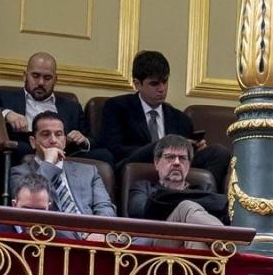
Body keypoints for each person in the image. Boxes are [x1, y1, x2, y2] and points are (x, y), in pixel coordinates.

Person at [96, 50, 230, 189]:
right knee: (165, 145)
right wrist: (161, 147)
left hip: (176, 169)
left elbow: (186, 158)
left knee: (218, 153)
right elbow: (113, 150)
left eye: (165, 82)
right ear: (137, 84)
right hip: (139, 170)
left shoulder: (180, 119)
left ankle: (203, 198)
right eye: (154, 84)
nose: (162, 89)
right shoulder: (117, 108)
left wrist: (194, 149)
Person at [0, 52, 105, 164]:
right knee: (14, 150)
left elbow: (92, 141)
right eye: (35, 76)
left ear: (56, 79)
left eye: (47, 78)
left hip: (62, 152)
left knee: (105, 155)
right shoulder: (4, 96)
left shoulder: (71, 107)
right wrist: (7, 114)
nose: (41, 82)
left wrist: (82, 140)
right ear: (25, 76)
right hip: (22, 148)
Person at [27, 111, 115, 218]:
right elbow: (30, 201)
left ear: (64, 141)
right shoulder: (19, 172)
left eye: (58, 134)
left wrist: (99, 232)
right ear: (33, 142)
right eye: (46, 134)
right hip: (50, 231)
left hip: (90, 230)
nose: (53, 140)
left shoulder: (89, 171)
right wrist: (49, 163)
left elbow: (105, 208)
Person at [125, 134, 227, 227]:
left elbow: (218, 214)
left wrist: (164, 202)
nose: (177, 163)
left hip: (195, 240)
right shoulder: (143, 187)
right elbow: (139, 211)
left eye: (182, 158)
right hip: (158, 237)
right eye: (170, 157)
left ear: (189, 164)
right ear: (156, 163)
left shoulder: (205, 188)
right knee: (186, 206)